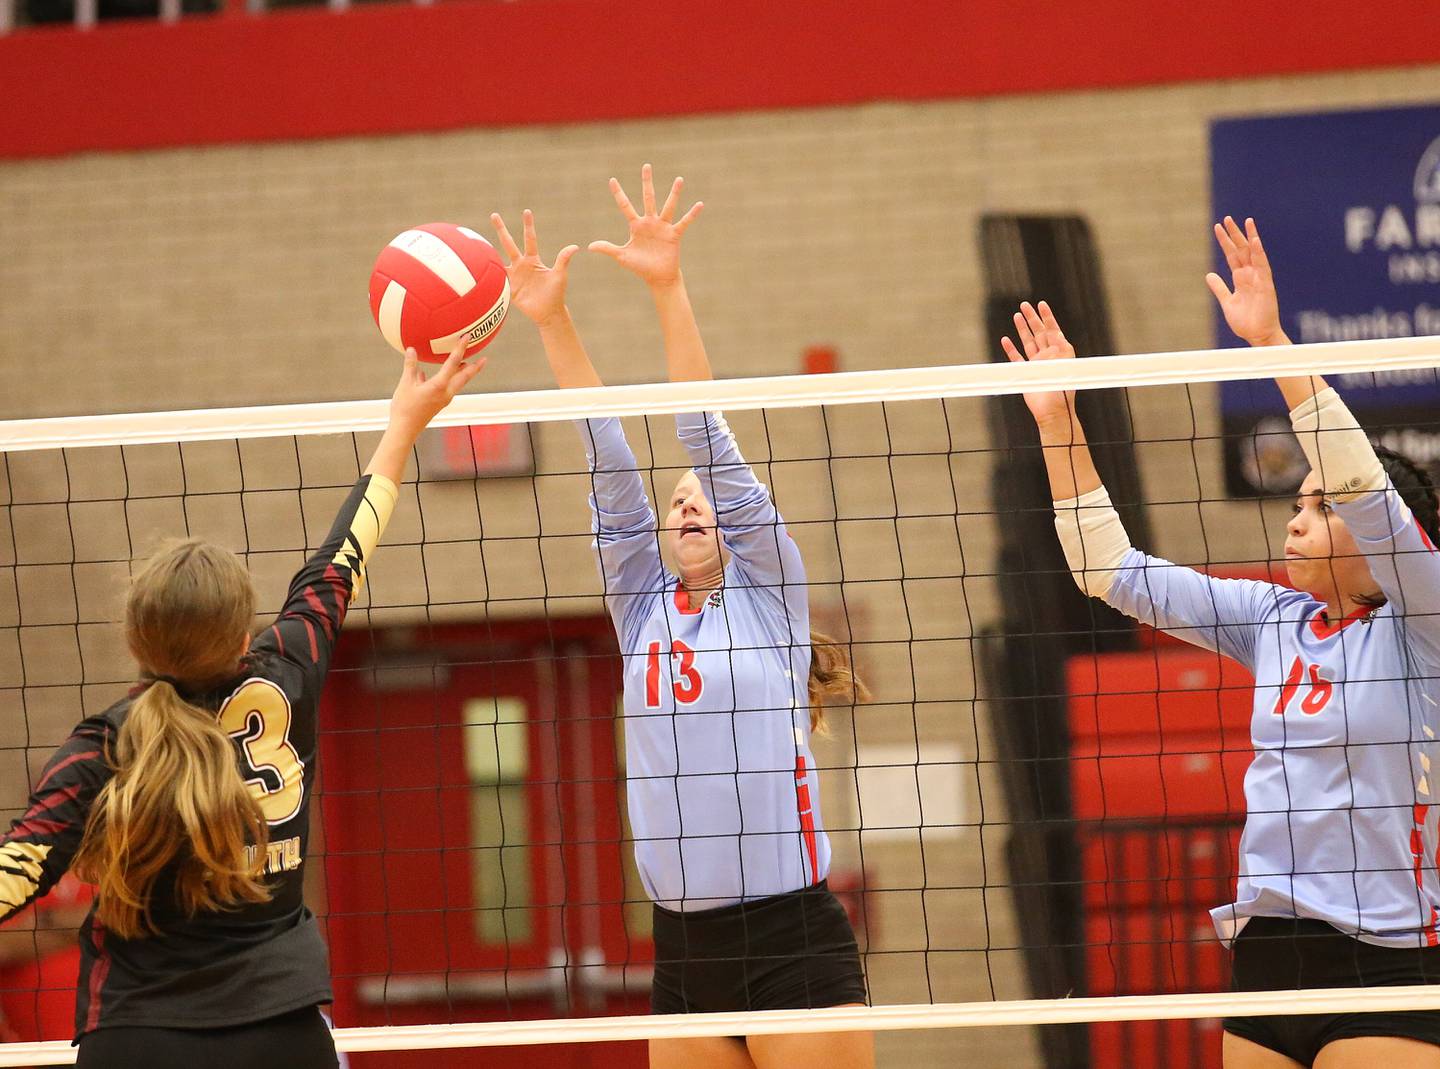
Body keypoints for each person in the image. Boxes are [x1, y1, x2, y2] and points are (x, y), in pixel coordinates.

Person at [1007, 216, 1440, 1069]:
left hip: (1389, 962)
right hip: (1267, 961)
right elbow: (1110, 570)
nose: (1297, 512)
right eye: (1299, 501)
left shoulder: (1423, 619)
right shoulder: (1274, 619)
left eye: (1319, 505)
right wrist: (1059, 421)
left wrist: (1270, 343)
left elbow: (1366, 488)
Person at [0, 343, 484, 1068]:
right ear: (240, 635)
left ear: (136, 637)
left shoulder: (107, 742)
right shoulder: (286, 671)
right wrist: (403, 426)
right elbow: (341, 558)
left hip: (136, 1037)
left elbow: (20, 869)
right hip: (278, 1029)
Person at [491, 166, 873, 1069]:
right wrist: (552, 319)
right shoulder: (640, 604)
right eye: (676, 500)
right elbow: (607, 453)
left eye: (705, 498)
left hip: (793, 946)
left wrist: (667, 284)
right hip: (684, 953)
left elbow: (703, 429)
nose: (689, 503)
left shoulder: (770, 589)